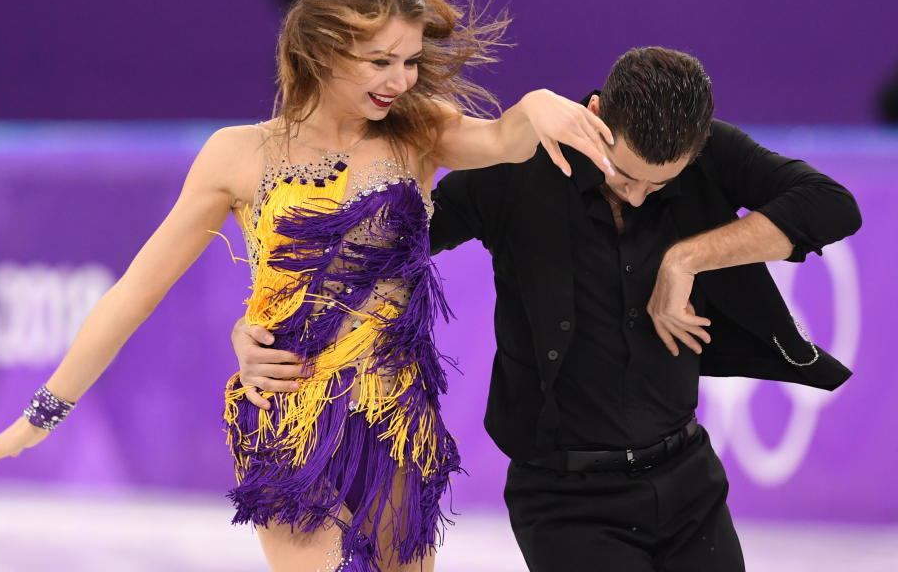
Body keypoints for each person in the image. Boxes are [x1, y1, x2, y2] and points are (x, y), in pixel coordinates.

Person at [0, 0, 616, 572]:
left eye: (411, 61)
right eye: (380, 60)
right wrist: (39, 417)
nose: (401, 80)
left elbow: (503, 137)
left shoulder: (418, 131)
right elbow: (133, 295)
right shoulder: (237, 156)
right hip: (288, 422)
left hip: (397, 424)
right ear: (324, 49)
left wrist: (535, 106)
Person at [230, 46, 862, 571]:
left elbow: (831, 205)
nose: (639, 197)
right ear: (594, 116)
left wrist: (686, 259)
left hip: (689, 479)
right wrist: (256, 324)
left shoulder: (710, 155)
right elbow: (384, 250)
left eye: (660, 184)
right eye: (622, 173)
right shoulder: (519, 168)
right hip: (565, 500)